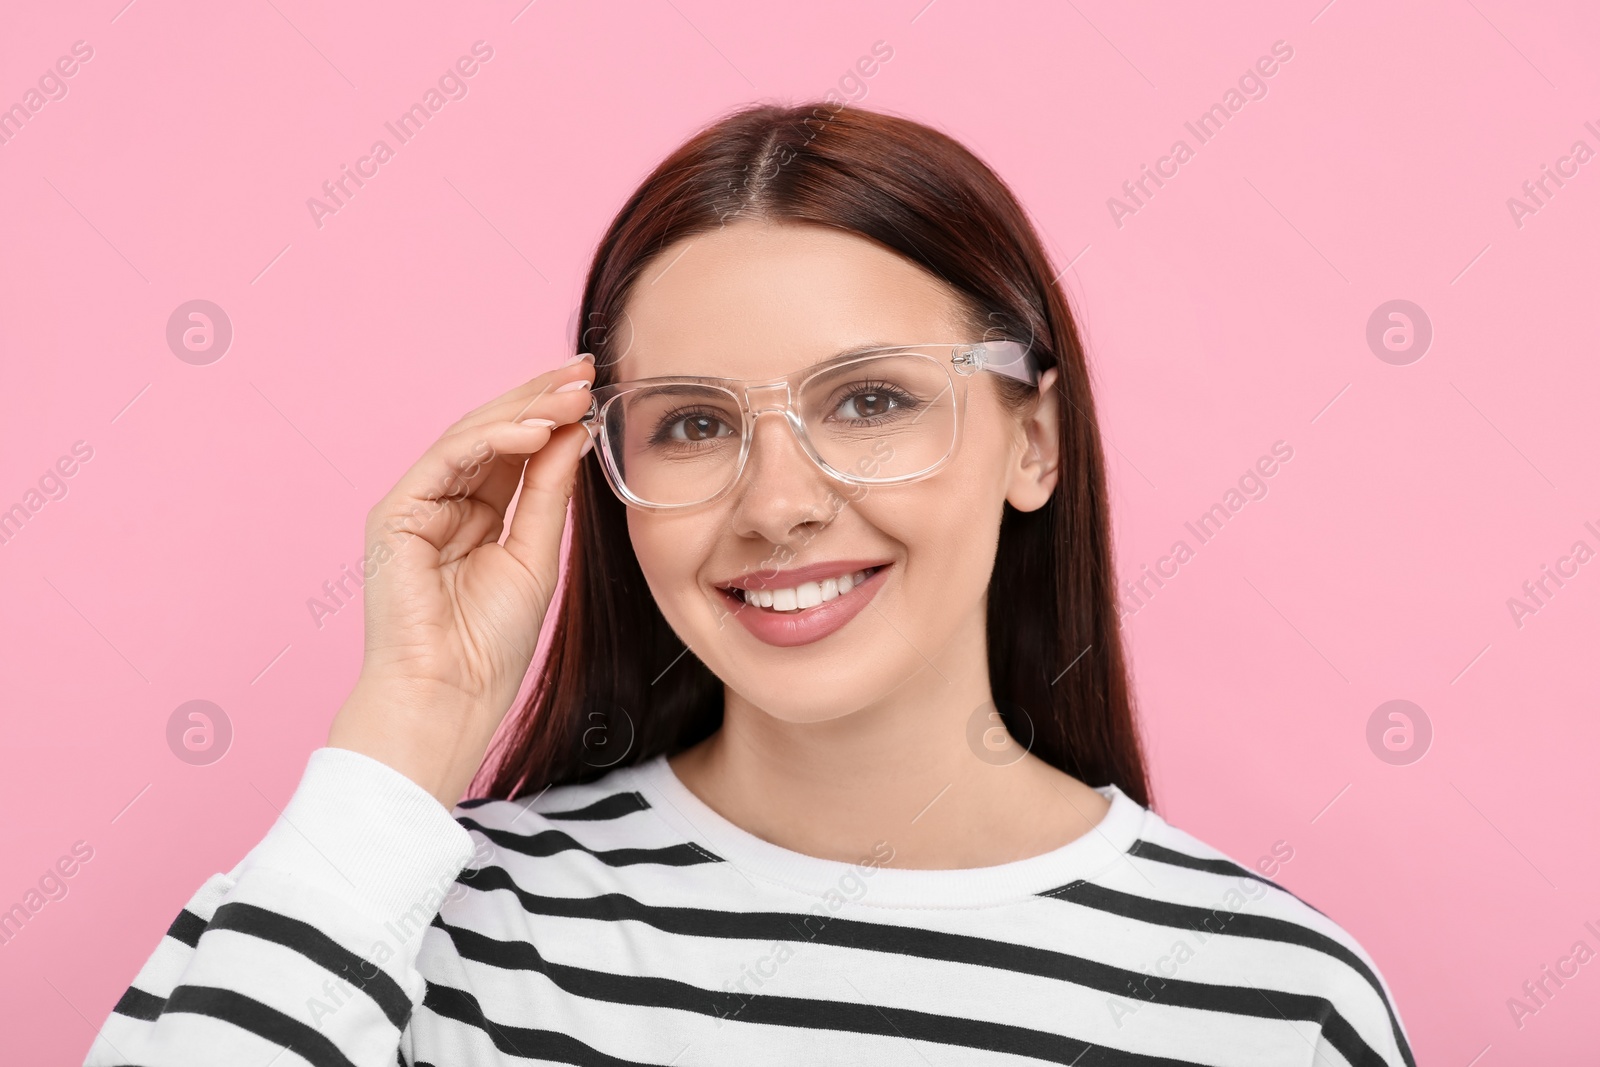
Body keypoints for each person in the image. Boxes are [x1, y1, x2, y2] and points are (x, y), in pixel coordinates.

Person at [86, 103, 1414, 1066]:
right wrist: (407, 723)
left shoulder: (1270, 1002)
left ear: (1034, 442)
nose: (778, 505)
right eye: (694, 425)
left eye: (873, 399)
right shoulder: (404, 925)